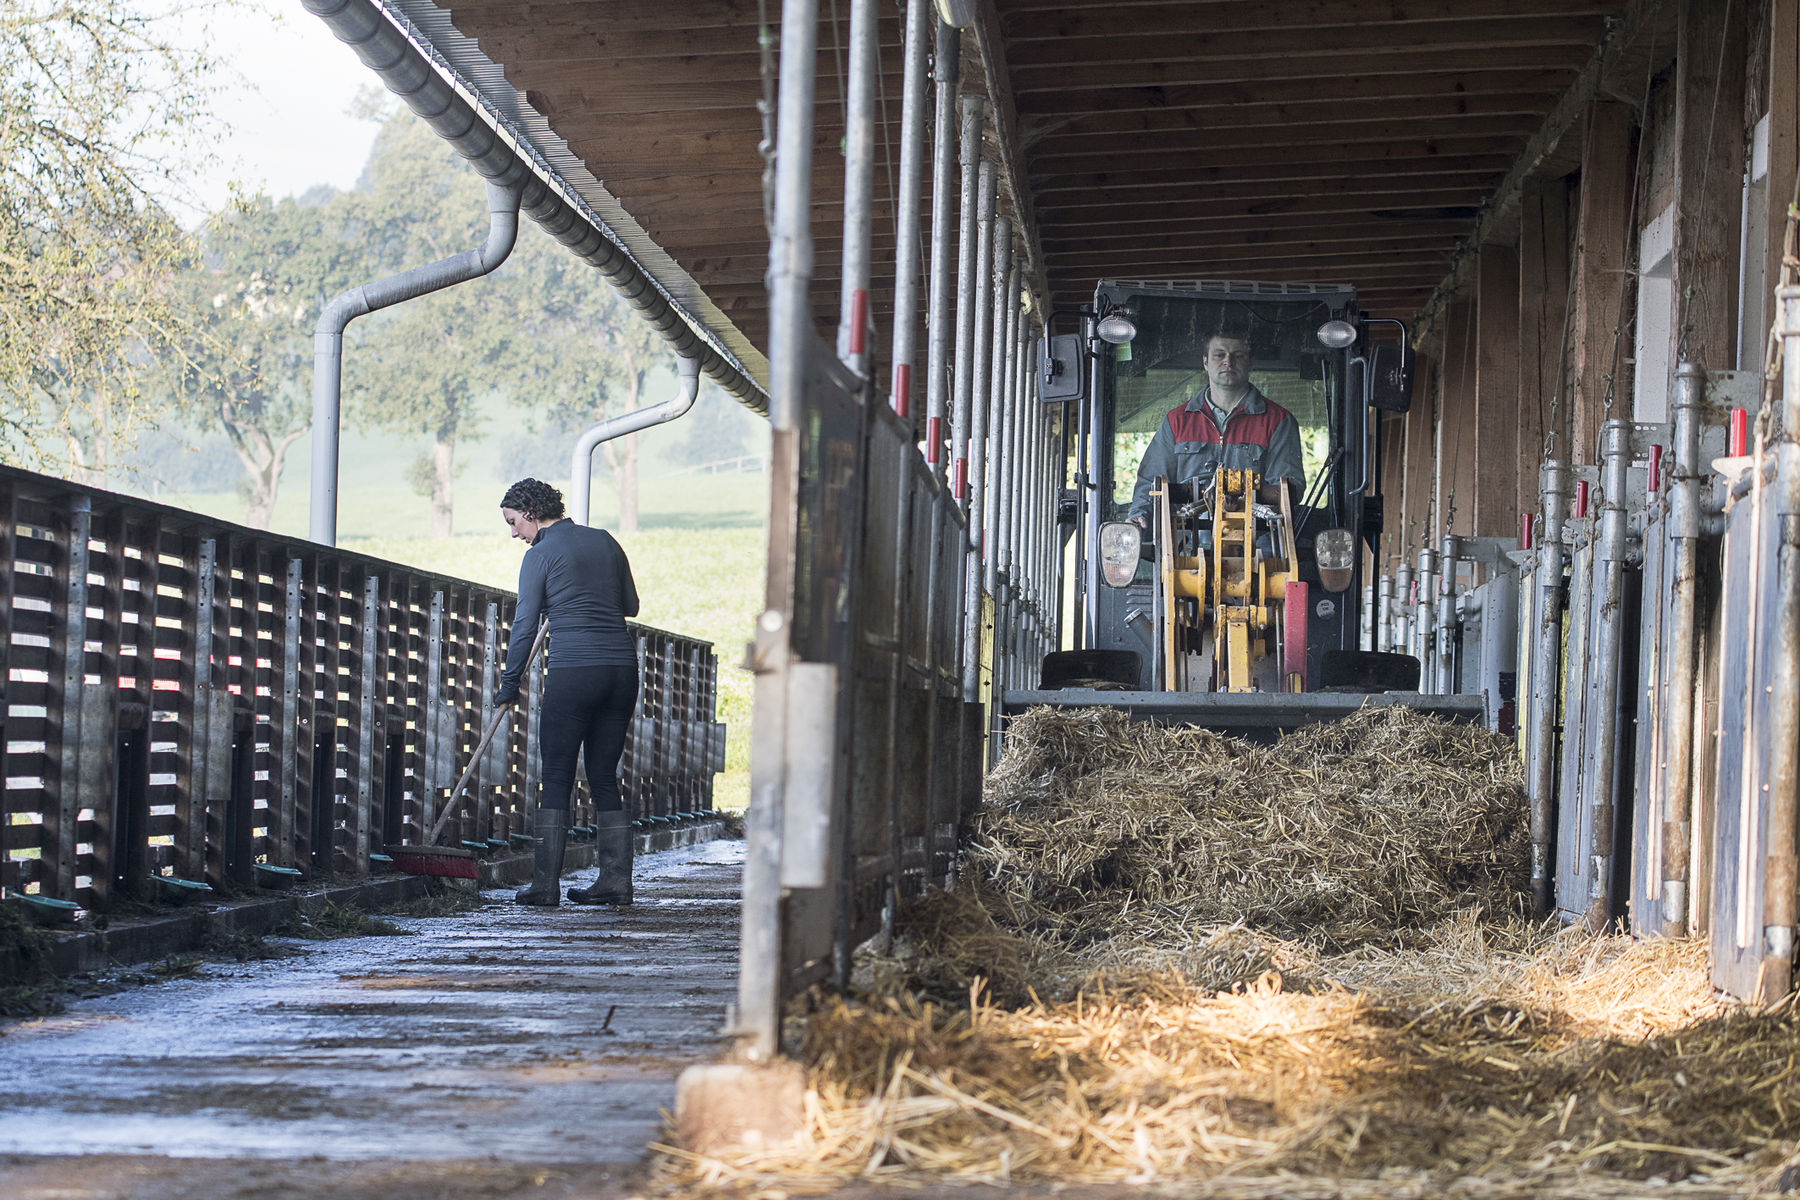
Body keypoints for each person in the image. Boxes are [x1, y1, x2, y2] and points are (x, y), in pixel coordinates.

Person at [493, 477, 641, 907]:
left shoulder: (540, 554)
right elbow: (630, 606)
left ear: (532, 513)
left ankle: (544, 885)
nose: (515, 533)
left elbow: (524, 625)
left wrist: (508, 683)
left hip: (575, 671)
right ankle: (616, 881)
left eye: (514, 522)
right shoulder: (606, 541)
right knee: (603, 776)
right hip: (621, 671)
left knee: (556, 775)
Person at [1127, 333, 1306, 527]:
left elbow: (1288, 490)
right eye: (1219, 355)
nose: (1228, 361)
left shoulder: (1278, 421)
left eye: (1237, 355)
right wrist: (1139, 514)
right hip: (1184, 545)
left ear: (1251, 362)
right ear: (1205, 362)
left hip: (1258, 544)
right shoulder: (1177, 421)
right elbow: (1151, 482)